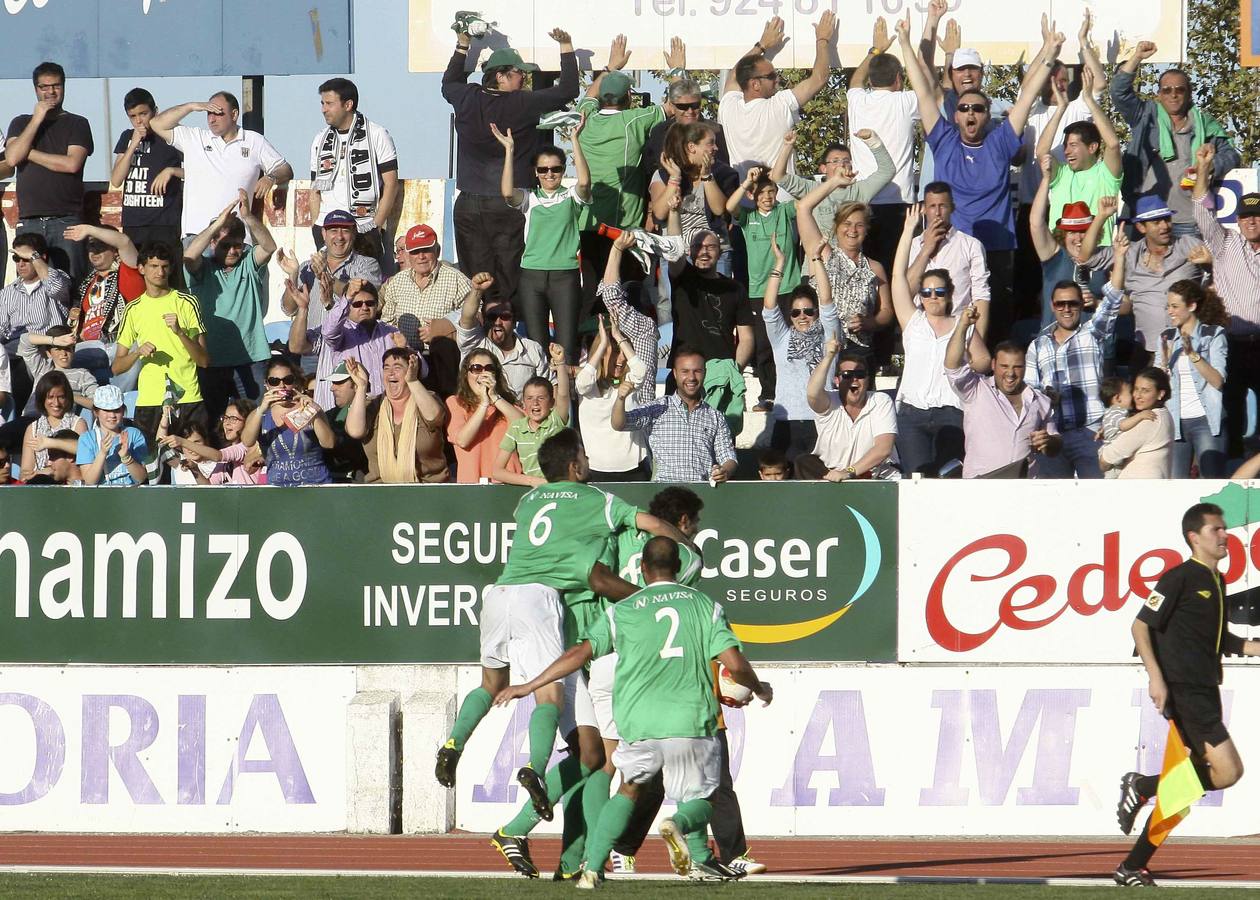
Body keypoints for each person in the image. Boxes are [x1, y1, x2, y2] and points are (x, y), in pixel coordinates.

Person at [434, 429, 679, 833]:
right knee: (550, 696)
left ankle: (454, 743)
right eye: (583, 454)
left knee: (492, 683)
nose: (587, 460)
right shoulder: (597, 500)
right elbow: (649, 524)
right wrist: (686, 546)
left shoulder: (529, 500)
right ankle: (534, 767)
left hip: (499, 592)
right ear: (574, 465)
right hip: (541, 602)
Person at [494, 534, 772, 887]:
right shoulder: (705, 606)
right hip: (691, 720)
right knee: (703, 798)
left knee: (627, 789)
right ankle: (677, 826)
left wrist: (529, 685)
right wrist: (759, 688)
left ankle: (593, 868)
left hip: (638, 723)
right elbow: (734, 662)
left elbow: (578, 654)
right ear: (679, 566)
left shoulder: (622, 610)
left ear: (642, 569)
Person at [1114, 503, 1260, 887]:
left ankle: (1132, 859)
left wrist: (1255, 647)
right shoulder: (1179, 576)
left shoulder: (1217, 580)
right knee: (1228, 771)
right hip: (1184, 690)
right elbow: (1140, 626)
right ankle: (1142, 788)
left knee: (1192, 784)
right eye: (1216, 529)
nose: (1225, 535)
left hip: (1206, 689)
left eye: (1225, 529)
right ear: (1195, 537)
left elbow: (1221, 640)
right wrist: (1156, 679)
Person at [897, 14, 1065, 343]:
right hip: (953, 247)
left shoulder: (1000, 142)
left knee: (997, 330)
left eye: (978, 108)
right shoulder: (944, 141)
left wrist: (1049, 50)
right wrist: (904, 44)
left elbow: (1027, 96)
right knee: (952, 323)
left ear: (988, 115)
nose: (971, 113)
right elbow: (922, 89)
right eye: (964, 109)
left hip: (998, 249)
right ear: (955, 114)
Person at [443, 27, 579, 307]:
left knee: (476, 286)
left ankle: (480, 343)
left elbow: (448, 83)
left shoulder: (468, 96)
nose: (525, 78)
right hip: (507, 203)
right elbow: (568, 89)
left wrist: (463, 45)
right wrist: (566, 47)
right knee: (508, 287)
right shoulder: (522, 102)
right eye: (520, 73)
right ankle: (508, 344)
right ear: (501, 76)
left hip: (467, 203)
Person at [891, 205, 989, 476]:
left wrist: (963, 367)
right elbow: (898, 277)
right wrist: (908, 231)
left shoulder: (963, 324)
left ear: (950, 295)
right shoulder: (912, 321)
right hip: (912, 414)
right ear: (920, 296)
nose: (932, 297)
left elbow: (983, 361)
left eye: (939, 291)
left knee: (948, 477)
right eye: (926, 292)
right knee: (916, 479)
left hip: (951, 411)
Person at [1024, 234, 1128, 478]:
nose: (1067, 309)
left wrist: (1120, 258)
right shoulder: (1037, 345)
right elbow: (1030, 393)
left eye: (1072, 303)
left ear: (1082, 305)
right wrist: (1046, 398)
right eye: (1060, 304)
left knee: (1096, 499)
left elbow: (1113, 299)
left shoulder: (1093, 332)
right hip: (1053, 434)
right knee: (1055, 503)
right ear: (1052, 306)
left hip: (1091, 431)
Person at [1111, 42, 1240, 236]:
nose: (1173, 95)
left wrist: (1209, 166)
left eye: (1179, 90)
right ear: (1159, 94)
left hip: (1190, 221)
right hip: (1146, 219)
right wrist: (1137, 57)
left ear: (1189, 95)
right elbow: (1119, 92)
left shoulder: (1205, 125)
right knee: (1138, 266)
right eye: (1167, 90)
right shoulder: (1146, 115)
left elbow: (1231, 155)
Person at [491, 117, 590, 361]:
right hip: (531, 276)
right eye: (543, 169)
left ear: (563, 170)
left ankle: (566, 396)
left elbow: (585, 183)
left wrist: (575, 140)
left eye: (556, 169)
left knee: (565, 347)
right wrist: (509, 150)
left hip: (564, 276)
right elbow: (506, 193)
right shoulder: (529, 197)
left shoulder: (571, 196)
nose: (550, 174)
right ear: (536, 172)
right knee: (537, 346)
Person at [149, 92, 292, 243]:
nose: (212, 119)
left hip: (237, 239)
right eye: (208, 113)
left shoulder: (254, 141)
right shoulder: (196, 138)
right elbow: (156, 124)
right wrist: (193, 106)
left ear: (234, 114)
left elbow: (285, 169)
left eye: (218, 113)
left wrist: (270, 177)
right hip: (197, 236)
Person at [1190, 148, 1260, 459]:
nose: (1251, 222)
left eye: (1257, 216)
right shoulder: (1226, 243)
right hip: (1231, 344)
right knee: (1229, 411)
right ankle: (1229, 476)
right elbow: (1200, 210)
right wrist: (1204, 168)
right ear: (1238, 220)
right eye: (1245, 216)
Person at [183, 190, 276, 421]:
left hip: (251, 359)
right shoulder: (203, 269)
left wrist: (248, 216)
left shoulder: (249, 264)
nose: (233, 251)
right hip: (211, 360)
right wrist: (217, 225)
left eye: (237, 245)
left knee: (254, 420)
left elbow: (268, 246)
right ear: (213, 244)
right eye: (225, 245)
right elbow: (189, 257)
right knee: (214, 423)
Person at [1084, 194, 1203, 369]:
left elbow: (1223, 262)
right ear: (1141, 227)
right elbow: (1086, 258)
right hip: (1147, 351)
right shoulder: (1129, 252)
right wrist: (1101, 217)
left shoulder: (1187, 245)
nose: (1164, 226)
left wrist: (1211, 262)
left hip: (1188, 347)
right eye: (1156, 222)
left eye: (1167, 220)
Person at [110, 241, 209, 445]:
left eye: (164, 266)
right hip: (150, 401)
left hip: (188, 398)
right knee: (152, 469)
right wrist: (138, 352)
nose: (160, 272)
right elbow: (117, 367)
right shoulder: (133, 309)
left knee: (192, 466)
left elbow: (204, 361)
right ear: (141, 269)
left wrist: (180, 333)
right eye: (154, 266)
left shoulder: (186, 302)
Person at [945, 305, 1061, 478]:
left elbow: (1055, 445)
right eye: (1004, 366)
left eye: (1017, 367)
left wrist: (1049, 442)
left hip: (1025, 490)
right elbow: (952, 366)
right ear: (993, 365)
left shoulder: (1039, 399)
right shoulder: (976, 390)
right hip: (982, 486)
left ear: (1025, 367)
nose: (1011, 373)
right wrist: (962, 326)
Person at [718, 13, 837, 181]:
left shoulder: (728, 107)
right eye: (771, 76)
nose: (777, 79)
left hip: (744, 200)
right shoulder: (779, 105)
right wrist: (822, 39)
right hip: (781, 199)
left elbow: (734, 76)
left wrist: (762, 45)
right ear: (755, 84)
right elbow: (820, 78)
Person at [846, 17, 923, 271]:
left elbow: (854, 81)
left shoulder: (857, 100)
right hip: (899, 202)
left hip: (863, 203)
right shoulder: (904, 102)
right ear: (899, 80)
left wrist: (875, 50)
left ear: (871, 80)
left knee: (870, 274)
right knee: (900, 271)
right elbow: (928, 88)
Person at [5, 61, 94, 279]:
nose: (50, 92)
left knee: (71, 284)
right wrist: (37, 119)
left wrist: (29, 153)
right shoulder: (21, 123)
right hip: (29, 221)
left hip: (66, 220)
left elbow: (71, 164)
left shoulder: (77, 123)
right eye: (44, 87)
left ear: (64, 87)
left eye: (55, 86)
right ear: (36, 89)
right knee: (30, 286)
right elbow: (13, 157)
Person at [665, 226, 754, 433]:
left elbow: (747, 338)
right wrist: (674, 211)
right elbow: (673, 248)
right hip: (684, 375)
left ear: (720, 252)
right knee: (680, 441)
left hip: (722, 378)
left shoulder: (735, 288)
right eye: (698, 246)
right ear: (690, 251)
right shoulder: (682, 278)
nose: (704, 251)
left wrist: (733, 371)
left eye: (711, 247)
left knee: (721, 447)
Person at [308, 78, 399, 271]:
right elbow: (314, 188)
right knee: (329, 286)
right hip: (328, 228)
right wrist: (316, 224)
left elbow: (391, 184)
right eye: (322, 103)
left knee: (365, 289)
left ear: (348, 104)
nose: (324, 109)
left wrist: (376, 226)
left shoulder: (377, 134)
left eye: (329, 103)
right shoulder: (319, 139)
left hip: (363, 226)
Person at [761, 239, 838, 459]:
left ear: (816, 312)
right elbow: (769, 306)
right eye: (796, 312)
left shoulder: (828, 335)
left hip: (822, 421)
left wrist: (816, 259)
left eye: (808, 311)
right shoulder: (781, 338)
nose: (802, 316)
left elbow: (827, 299)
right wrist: (780, 263)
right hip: (787, 423)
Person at [613, 350, 737, 485]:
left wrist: (724, 471)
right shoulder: (657, 408)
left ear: (705, 373)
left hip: (701, 495)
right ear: (675, 373)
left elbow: (728, 457)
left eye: (697, 371)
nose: (691, 377)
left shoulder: (715, 416)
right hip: (665, 494)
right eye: (685, 371)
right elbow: (620, 424)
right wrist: (620, 398)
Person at [288, 273, 401, 412]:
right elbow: (327, 332)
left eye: (370, 303)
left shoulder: (390, 332)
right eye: (357, 304)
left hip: (388, 409)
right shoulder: (341, 332)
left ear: (377, 306)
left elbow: (423, 370)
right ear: (347, 307)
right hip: (351, 412)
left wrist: (405, 352)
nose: (364, 308)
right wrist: (347, 297)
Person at [795, 198, 892, 358]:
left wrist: (870, 323)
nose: (852, 230)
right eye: (847, 223)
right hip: (823, 346)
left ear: (866, 229)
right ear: (837, 226)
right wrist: (834, 181)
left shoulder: (875, 267)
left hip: (860, 350)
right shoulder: (822, 254)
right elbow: (803, 207)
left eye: (859, 225)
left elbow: (886, 310)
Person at [379, 223, 470, 391]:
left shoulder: (456, 279)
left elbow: (476, 313)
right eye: (414, 251)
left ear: (437, 250)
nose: (420, 256)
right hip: (406, 358)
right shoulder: (397, 282)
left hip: (443, 359)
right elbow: (387, 322)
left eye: (426, 250)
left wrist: (443, 327)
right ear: (408, 254)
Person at [1035, 70, 1122, 247]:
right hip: (1061, 255)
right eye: (1066, 145)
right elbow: (1041, 151)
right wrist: (1060, 109)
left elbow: (1113, 144)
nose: (1066, 151)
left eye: (1073, 145)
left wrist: (1089, 100)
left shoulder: (1106, 174)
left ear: (1092, 147)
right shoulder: (1061, 175)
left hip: (1098, 255)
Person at [1028, 159, 1115, 328]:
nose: (1079, 237)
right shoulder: (1054, 256)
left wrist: (1098, 303)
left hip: (1093, 345)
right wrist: (1046, 179)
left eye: (1084, 231)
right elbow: (1036, 223)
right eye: (1072, 232)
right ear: (1062, 235)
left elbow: (1127, 305)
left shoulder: (1105, 258)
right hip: (1054, 344)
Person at [795, 341, 898, 481]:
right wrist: (829, 356)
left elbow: (883, 449)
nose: (854, 379)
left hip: (874, 477)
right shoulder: (829, 401)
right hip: (832, 477)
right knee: (803, 461)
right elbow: (812, 394)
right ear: (837, 380)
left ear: (867, 379)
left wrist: (848, 472)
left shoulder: (880, 401)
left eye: (860, 374)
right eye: (847, 374)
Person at [110, 88, 184, 278]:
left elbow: (200, 170)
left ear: (155, 111)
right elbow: (116, 179)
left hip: (164, 223)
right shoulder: (127, 137)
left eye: (143, 114)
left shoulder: (173, 136)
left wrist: (172, 171)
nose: (139, 120)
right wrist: (133, 144)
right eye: (133, 116)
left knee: (166, 279)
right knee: (136, 281)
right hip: (134, 224)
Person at [345, 350, 449, 484]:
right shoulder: (373, 405)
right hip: (381, 492)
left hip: (427, 489)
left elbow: (434, 418)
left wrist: (412, 381)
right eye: (386, 368)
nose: (390, 373)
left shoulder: (427, 399)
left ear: (411, 370)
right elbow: (355, 431)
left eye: (397, 367)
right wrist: (361, 386)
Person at [1159, 280, 1228, 478]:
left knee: (1212, 482)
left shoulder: (1213, 334)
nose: (1170, 311)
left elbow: (1217, 381)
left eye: (1175, 306)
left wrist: (1193, 354)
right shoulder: (1166, 337)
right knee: (1175, 485)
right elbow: (1158, 387)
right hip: (1175, 421)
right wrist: (1164, 363)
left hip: (1206, 420)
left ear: (1192, 306)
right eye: (1168, 306)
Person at [277, 213, 384, 334]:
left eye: (345, 230)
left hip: (349, 346)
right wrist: (293, 275)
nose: (339, 237)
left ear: (354, 233)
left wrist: (328, 277)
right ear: (323, 234)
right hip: (311, 348)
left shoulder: (368, 264)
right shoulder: (306, 267)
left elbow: (360, 300)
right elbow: (289, 310)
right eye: (333, 230)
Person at [239, 356, 335, 486]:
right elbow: (247, 441)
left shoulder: (309, 408)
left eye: (287, 380)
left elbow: (329, 443)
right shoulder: (258, 414)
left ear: (295, 382)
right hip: (279, 489)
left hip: (315, 485)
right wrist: (261, 410)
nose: (281, 385)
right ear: (267, 385)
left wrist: (313, 413)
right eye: (274, 381)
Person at [904, 181, 990, 327]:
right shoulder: (911, 246)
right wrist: (925, 251)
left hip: (959, 327)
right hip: (921, 329)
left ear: (952, 208)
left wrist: (979, 340)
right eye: (932, 206)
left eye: (942, 206)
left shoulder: (971, 245)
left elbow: (981, 297)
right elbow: (905, 294)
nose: (937, 213)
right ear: (924, 209)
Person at [576, 314, 648, 481]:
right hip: (596, 470)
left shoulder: (629, 383)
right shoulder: (589, 386)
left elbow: (640, 371)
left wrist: (618, 337)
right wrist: (602, 344)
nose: (621, 359)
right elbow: (582, 383)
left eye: (625, 353)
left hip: (634, 469)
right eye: (616, 352)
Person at [454, 273, 550, 398]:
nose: (498, 322)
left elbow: (548, 389)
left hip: (519, 415)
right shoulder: (474, 342)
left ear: (515, 321)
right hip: (480, 413)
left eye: (505, 317)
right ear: (484, 320)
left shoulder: (532, 349)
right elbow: (467, 318)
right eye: (492, 317)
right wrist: (477, 291)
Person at [60, 224, 144, 365]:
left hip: (119, 346)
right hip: (90, 347)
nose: (94, 251)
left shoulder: (129, 272)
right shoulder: (88, 283)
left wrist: (89, 230)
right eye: (91, 247)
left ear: (115, 251)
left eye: (101, 246)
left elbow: (124, 242)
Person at [493, 344, 570, 488]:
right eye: (529, 398)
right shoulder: (517, 427)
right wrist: (532, 481)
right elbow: (497, 471)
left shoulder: (556, 420)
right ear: (523, 402)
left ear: (552, 402)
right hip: (533, 491)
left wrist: (560, 363)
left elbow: (564, 394)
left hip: (560, 489)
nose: (535, 403)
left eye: (541, 398)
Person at [445, 349, 523, 483]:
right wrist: (483, 404)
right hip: (474, 486)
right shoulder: (455, 403)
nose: (483, 373)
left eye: (489, 368)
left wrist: (494, 397)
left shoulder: (507, 404)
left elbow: (524, 426)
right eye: (476, 368)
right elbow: (462, 440)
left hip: (510, 484)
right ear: (466, 374)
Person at [1098, 367, 1174, 478]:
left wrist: (1103, 461)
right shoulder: (1162, 414)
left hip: (1140, 488)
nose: (1137, 396)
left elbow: (1106, 459)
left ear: (1160, 394)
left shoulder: (1151, 419)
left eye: (1145, 391)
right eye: (1136, 389)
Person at [19, 369, 87, 482]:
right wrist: (43, 473)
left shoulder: (78, 423)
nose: (56, 403)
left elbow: (85, 451)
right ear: (42, 399)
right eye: (50, 397)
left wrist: (48, 443)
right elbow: (25, 473)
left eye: (61, 397)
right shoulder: (33, 429)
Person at [74, 383, 147, 486]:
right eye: (106, 410)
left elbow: (142, 478)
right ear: (96, 412)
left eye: (116, 410)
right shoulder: (86, 439)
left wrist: (126, 457)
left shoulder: (134, 434)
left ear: (123, 410)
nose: (112, 415)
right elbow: (90, 482)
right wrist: (103, 453)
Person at [17, 324, 98, 415]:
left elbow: (98, 403)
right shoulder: (42, 367)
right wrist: (54, 341)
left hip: (59, 423)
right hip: (30, 419)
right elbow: (25, 339)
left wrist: (69, 396)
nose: (63, 353)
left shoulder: (82, 374)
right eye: (58, 349)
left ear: (73, 351)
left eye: (67, 349)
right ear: (48, 353)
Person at [208, 398, 264, 484]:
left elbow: (218, 456)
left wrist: (183, 442)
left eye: (233, 418)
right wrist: (194, 469)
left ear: (248, 423)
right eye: (225, 418)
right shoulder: (226, 459)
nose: (227, 423)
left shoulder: (248, 448)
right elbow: (209, 486)